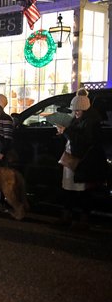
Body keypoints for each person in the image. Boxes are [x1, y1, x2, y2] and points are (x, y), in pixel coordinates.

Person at [55, 88, 107, 229]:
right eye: (75, 110)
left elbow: (84, 141)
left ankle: (83, 220)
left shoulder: (91, 122)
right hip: (71, 159)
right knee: (68, 189)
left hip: (82, 161)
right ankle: (67, 216)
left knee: (83, 191)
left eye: (78, 110)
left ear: (85, 109)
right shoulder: (78, 120)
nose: (76, 113)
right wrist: (64, 133)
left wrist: (66, 132)